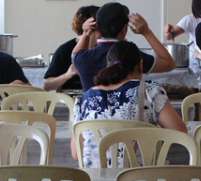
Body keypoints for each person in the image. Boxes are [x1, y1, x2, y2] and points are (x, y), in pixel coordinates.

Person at [71, 40, 187, 168]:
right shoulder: (149, 91)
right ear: (140, 65)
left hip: (95, 178)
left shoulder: (84, 100)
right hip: (139, 177)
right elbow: (179, 132)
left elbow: (76, 154)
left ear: (108, 66)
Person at [72, 2, 175, 92]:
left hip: (92, 109)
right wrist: (147, 32)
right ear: (124, 29)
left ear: (97, 27)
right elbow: (169, 63)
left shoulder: (81, 58)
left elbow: (75, 53)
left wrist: (86, 33)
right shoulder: (131, 54)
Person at [43, 5, 99, 92]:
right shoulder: (64, 50)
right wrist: (67, 75)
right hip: (69, 98)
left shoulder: (104, 48)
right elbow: (46, 85)